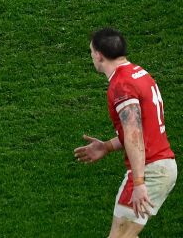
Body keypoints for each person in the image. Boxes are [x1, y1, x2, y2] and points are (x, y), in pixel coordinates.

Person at [74, 28, 176, 237]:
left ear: (99, 55)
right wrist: (108, 146)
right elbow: (144, 128)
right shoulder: (139, 73)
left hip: (149, 170)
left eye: (91, 51)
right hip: (161, 166)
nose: (92, 56)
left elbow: (134, 133)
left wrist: (139, 182)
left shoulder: (122, 85)